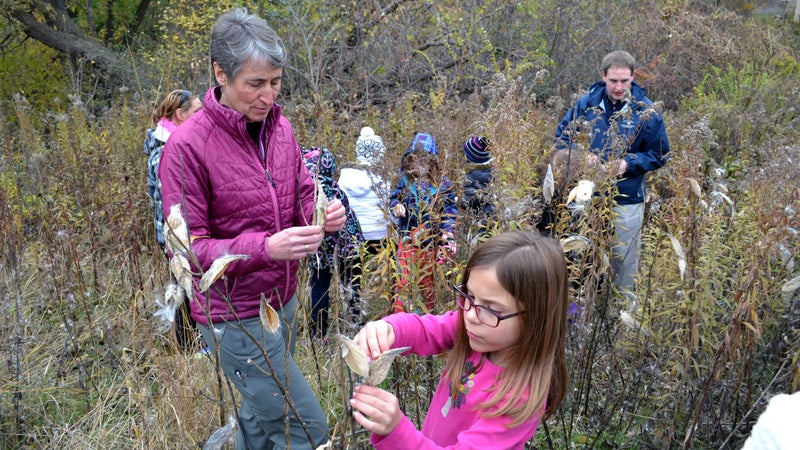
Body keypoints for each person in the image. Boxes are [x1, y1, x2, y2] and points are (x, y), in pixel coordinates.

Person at [158, 8, 344, 450]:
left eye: (276, 82)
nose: (268, 96)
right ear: (220, 73)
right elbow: (186, 252)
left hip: (284, 301)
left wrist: (320, 213)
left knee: (259, 424)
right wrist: (266, 248)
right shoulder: (186, 149)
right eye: (255, 84)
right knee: (306, 429)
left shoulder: (281, 129)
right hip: (234, 316)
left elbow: (300, 189)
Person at [349, 230, 569, 449]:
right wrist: (389, 329)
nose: (471, 315)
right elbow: (424, 330)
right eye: (470, 297)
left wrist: (396, 429)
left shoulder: (519, 400)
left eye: (491, 308)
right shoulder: (476, 332)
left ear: (535, 318)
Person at [554, 50, 670, 311]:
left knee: (623, 265)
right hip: (587, 198)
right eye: (613, 81)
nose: (619, 87)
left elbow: (661, 153)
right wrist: (582, 157)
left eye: (625, 81)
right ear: (603, 77)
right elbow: (561, 139)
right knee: (581, 257)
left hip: (626, 198)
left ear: (633, 78)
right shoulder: (586, 105)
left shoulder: (646, 111)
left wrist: (628, 164)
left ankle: (622, 319)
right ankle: (582, 314)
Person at [144, 89, 202, 352]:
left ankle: (196, 343)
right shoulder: (165, 149)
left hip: (185, 232)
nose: (203, 116)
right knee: (186, 287)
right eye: (196, 111)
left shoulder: (177, 143)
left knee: (192, 285)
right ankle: (191, 347)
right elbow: (170, 197)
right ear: (180, 115)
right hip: (175, 235)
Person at [389, 133, 457, 313]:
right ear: (408, 161)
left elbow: (450, 210)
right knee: (403, 281)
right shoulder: (404, 181)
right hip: (408, 240)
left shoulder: (441, 184)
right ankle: (398, 322)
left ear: (432, 162)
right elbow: (393, 199)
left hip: (430, 243)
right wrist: (397, 206)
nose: (419, 165)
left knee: (427, 284)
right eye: (415, 160)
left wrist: (447, 232)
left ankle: (428, 319)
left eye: (424, 161)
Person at [301, 146, 365, 338]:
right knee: (352, 285)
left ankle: (318, 334)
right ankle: (354, 327)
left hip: (319, 250)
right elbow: (351, 220)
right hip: (348, 249)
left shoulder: (304, 194)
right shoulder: (335, 189)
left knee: (319, 288)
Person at [338, 127, 391, 254]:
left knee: (355, 271)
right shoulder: (383, 177)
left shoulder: (345, 177)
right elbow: (389, 207)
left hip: (353, 234)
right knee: (389, 268)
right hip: (380, 234)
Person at [460, 135, 496, 237]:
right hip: (492, 214)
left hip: (481, 217)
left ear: (470, 157)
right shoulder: (492, 170)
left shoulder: (472, 175)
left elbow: (468, 199)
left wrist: (459, 200)